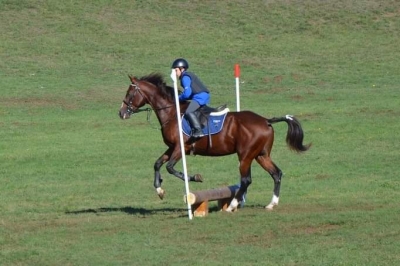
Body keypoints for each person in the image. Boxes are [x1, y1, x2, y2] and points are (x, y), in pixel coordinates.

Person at [171, 58, 210, 138]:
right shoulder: (187, 75)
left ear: (182, 69)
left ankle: (198, 131)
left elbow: (187, 94)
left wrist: (178, 98)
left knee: (189, 111)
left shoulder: (185, 77)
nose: (175, 73)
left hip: (199, 97)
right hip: (203, 96)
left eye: (176, 70)